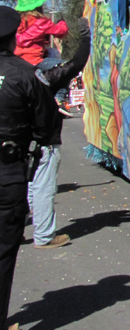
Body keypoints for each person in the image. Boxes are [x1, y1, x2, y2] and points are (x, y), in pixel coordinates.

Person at [0, 5, 58, 330]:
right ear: (13, 38)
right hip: (7, 173)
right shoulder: (25, 74)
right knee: (3, 253)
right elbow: (45, 124)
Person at [28, 18, 91, 251]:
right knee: (43, 186)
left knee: (26, 185)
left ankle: (16, 225)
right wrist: (86, 39)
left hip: (18, 140)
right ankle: (44, 235)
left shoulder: (11, 72)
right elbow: (75, 65)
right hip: (43, 139)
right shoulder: (43, 75)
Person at [13, 0, 68, 67]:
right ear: (39, 7)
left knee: (50, 52)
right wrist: (62, 23)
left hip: (17, 61)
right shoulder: (42, 22)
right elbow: (61, 31)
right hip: (35, 62)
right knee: (67, 65)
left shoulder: (15, 23)